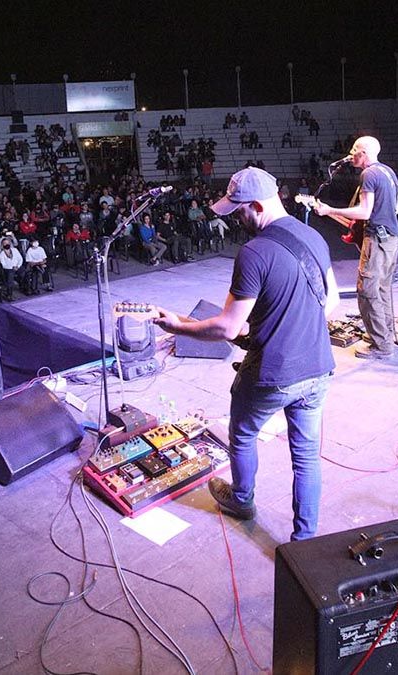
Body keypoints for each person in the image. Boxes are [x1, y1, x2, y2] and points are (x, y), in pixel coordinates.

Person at [153, 167, 339, 541]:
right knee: (305, 458)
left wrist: (178, 328)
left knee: (241, 433)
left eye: (239, 210)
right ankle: (305, 542)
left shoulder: (254, 252)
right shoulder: (313, 236)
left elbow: (227, 328)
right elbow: (330, 302)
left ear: (257, 205)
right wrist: (277, 325)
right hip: (318, 367)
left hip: (273, 374)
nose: (237, 219)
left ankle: (241, 499)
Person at [313, 136, 398, 359]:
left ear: (363, 153)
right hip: (392, 238)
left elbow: (364, 212)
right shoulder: (388, 172)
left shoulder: (368, 174)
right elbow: (396, 208)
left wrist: (330, 210)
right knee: (382, 289)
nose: (351, 155)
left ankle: (380, 346)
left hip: (377, 241)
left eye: (354, 151)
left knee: (367, 290)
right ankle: (385, 335)